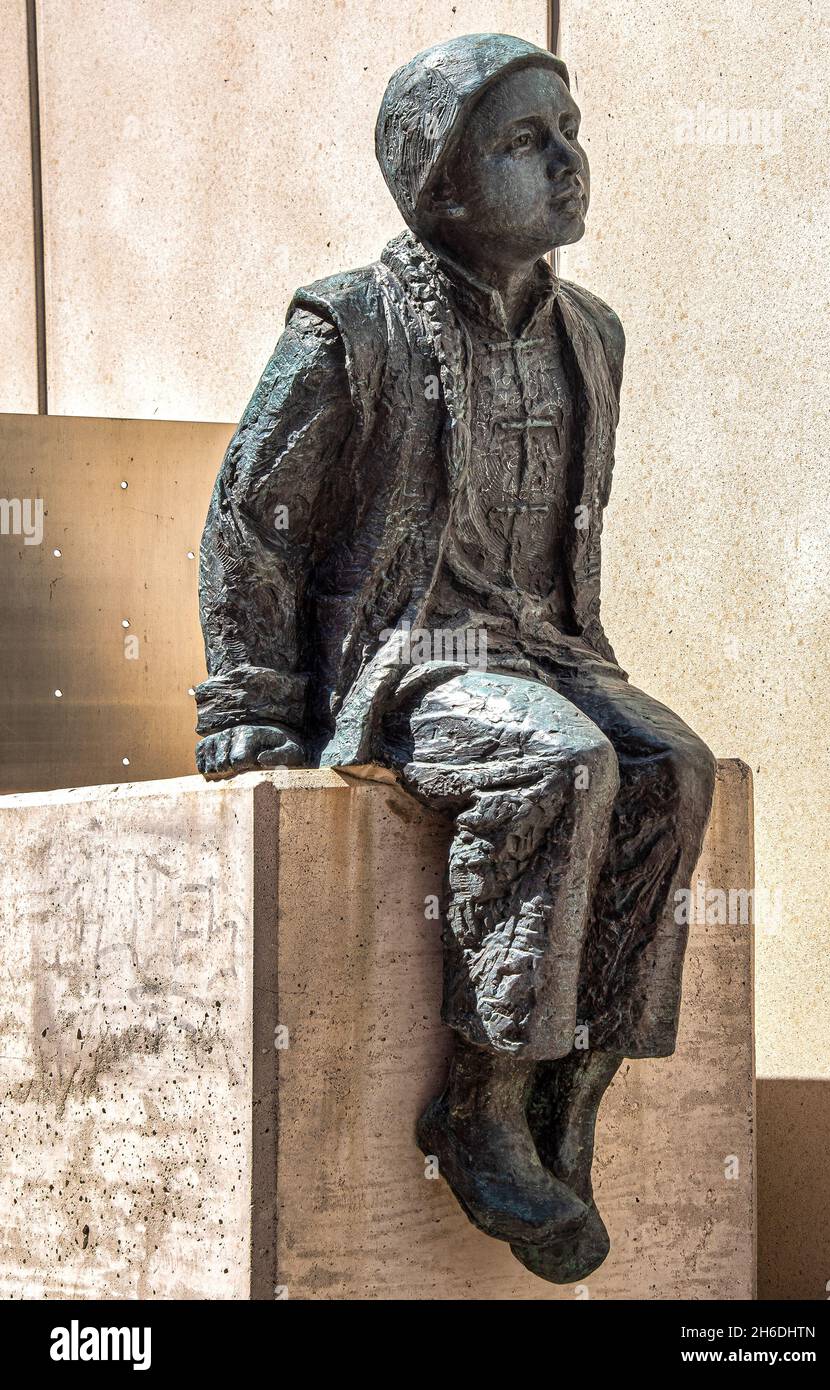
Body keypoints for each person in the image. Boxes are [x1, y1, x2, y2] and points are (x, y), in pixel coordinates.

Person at [195, 33, 716, 1282]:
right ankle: (479, 1105)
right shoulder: (354, 322)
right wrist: (247, 709)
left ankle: (571, 1092)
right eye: (526, 143)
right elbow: (250, 521)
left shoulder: (594, 335)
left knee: (674, 769)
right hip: (410, 658)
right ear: (438, 180)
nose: (568, 163)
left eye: (571, 132)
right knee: (557, 766)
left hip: (547, 647)